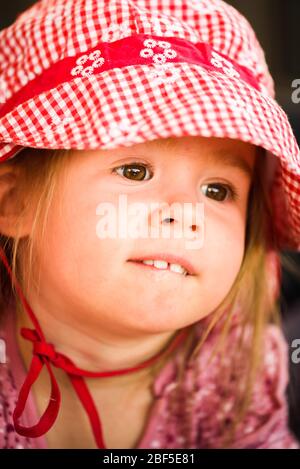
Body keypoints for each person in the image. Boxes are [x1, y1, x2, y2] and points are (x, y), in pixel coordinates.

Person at [0, 0, 299, 449]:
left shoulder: (234, 371)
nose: (184, 212)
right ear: (14, 201)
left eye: (217, 191)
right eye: (135, 171)